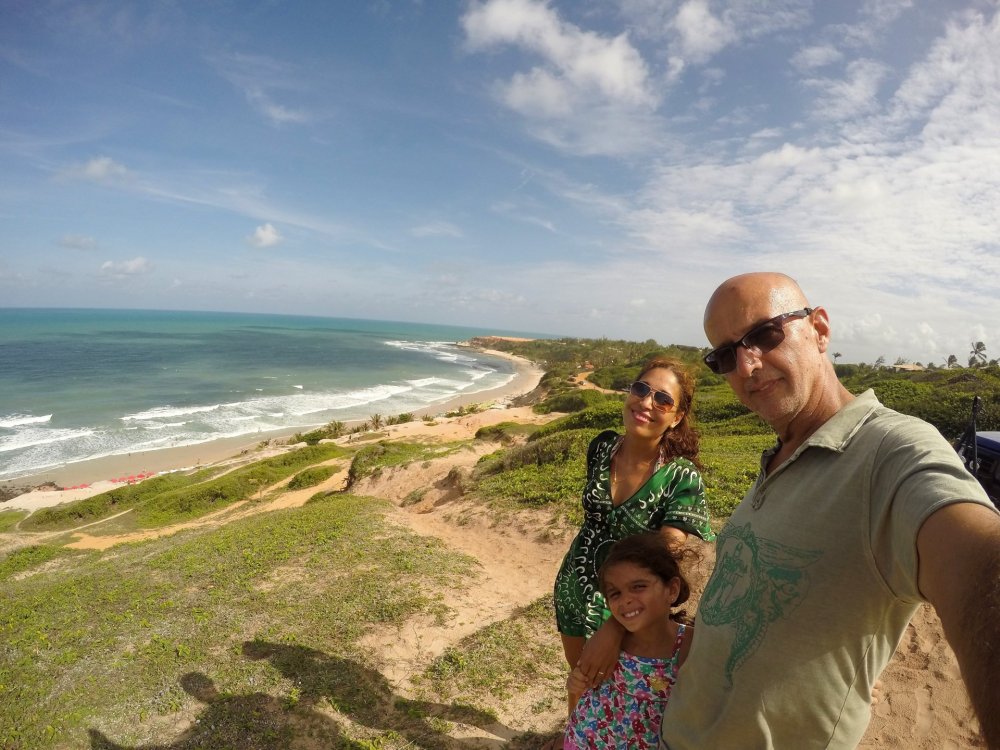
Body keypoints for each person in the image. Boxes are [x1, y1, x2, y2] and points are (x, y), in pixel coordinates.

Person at [660, 272, 1000, 749]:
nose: (747, 364)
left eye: (764, 334)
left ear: (819, 329)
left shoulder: (892, 451)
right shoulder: (782, 456)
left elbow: (981, 567)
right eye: (724, 354)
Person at [552, 357, 715, 713]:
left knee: (613, 693)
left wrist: (614, 625)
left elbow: (667, 556)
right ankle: (574, 735)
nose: (646, 402)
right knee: (579, 677)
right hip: (573, 588)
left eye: (663, 399)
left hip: (627, 607)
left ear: (676, 417)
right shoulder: (602, 447)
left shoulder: (680, 477)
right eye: (641, 389)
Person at [564, 532, 695, 749]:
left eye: (638, 587)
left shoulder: (688, 645)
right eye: (615, 593)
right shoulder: (608, 643)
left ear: (672, 589)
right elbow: (583, 684)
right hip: (585, 741)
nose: (625, 599)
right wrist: (576, 682)